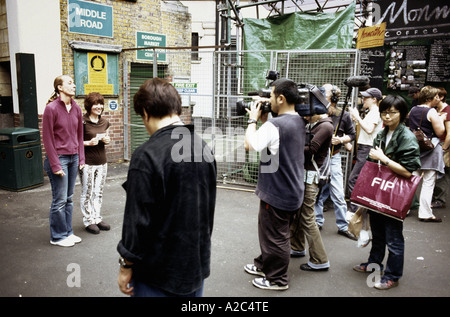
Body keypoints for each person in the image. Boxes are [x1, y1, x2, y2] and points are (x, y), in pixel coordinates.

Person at [117, 78, 216, 297]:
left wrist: (126, 264)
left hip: (157, 275)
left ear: (145, 112)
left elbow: (137, 221)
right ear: (176, 108)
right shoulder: (202, 147)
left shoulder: (147, 154)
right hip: (195, 268)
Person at [353, 95, 421, 290]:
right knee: (378, 232)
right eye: (384, 112)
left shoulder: (406, 136)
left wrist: (384, 158)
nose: (387, 116)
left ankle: (392, 275)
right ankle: (374, 264)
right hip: (379, 191)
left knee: (394, 237)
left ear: (402, 114)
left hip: (394, 195)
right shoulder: (383, 133)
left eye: (392, 112)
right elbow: (374, 164)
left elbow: (408, 171)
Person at [243, 78, 305, 291]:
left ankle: (277, 279)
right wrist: (263, 122)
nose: (267, 100)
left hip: (278, 192)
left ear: (280, 98)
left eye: (270, 96)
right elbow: (273, 145)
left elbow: (250, 145)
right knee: (272, 233)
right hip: (291, 189)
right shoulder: (296, 120)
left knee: (276, 236)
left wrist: (252, 120)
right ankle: (264, 265)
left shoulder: (275, 124)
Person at [289, 97, 332, 271]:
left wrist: (290, 143)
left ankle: (320, 259)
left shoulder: (325, 126)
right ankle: (297, 247)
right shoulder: (320, 124)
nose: (305, 117)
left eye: (307, 114)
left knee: (307, 217)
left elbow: (311, 149)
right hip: (306, 175)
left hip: (310, 176)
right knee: (298, 215)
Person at [42, 75, 85, 247]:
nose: (74, 85)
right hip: (59, 158)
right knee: (59, 200)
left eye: (73, 83)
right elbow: (47, 139)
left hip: (74, 157)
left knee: (68, 198)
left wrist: (81, 158)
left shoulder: (77, 109)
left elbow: (80, 135)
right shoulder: (51, 109)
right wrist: (55, 164)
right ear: (60, 87)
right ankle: (57, 236)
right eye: (69, 83)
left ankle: (68, 232)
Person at [314, 84, 357, 240]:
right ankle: (317, 221)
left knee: (338, 193)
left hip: (334, 157)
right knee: (317, 192)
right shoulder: (317, 112)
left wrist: (340, 139)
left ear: (333, 97)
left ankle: (343, 226)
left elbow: (351, 135)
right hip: (319, 157)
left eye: (323, 93)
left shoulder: (342, 114)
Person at [409, 86, 446, 222]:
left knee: (412, 180)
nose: (438, 99)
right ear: (430, 98)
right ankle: (425, 213)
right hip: (430, 149)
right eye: (436, 97)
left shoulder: (413, 109)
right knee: (428, 182)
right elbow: (440, 132)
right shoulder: (432, 111)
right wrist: (441, 119)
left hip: (415, 148)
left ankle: (404, 208)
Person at [348, 88, 383, 214]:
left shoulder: (375, 112)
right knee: (363, 179)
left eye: (366, 98)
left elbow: (369, 130)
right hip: (365, 147)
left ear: (374, 99)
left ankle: (354, 211)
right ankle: (361, 209)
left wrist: (357, 117)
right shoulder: (372, 112)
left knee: (354, 179)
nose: (363, 100)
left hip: (367, 147)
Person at [80, 92, 111, 234]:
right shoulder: (82, 122)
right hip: (87, 162)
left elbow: (107, 136)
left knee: (98, 191)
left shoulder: (105, 122)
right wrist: (88, 143)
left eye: (100, 104)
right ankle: (88, 220)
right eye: (95, 104)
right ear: (89, 106)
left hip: (102, 161)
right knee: (88, 192)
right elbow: (75, 142)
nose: (99, 107)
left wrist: (107, 140)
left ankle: (97, 218)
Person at [431, 87, 450, 209]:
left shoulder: (448, 110)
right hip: (438, 144)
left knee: (442, 174)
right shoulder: (436, 110)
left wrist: (444, 148)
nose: (433, 99)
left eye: (435, 96)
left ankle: (440, 200)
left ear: (441, 97)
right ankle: (435, 198)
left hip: (444, 146)